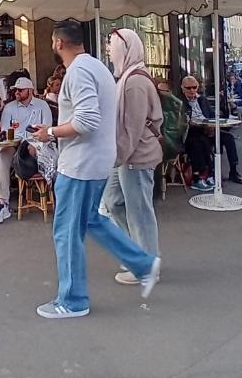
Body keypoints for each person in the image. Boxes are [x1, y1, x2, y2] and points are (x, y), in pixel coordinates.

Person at [29, 21, 160, 319]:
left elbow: (86, 121)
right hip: (97, 160)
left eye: (52, 42)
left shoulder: (78, 71)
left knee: (66, 233)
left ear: (59, 43)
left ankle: (73, 300)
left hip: (80, 164)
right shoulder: (98, 67)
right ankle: (142, 262)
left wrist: (50, 131)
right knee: (91, 221)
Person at [102, 29, 162, 285]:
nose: (108, 50)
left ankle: (146, 266)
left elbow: (133, 128)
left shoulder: (135, 81)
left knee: (139, 212)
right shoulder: (129, 76)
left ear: (125, 49)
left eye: (112, 45)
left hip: (134, 156)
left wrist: (115, 157)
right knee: (114, 201)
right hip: (126, 155)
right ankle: (134, 254)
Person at [0, 77, 52, 223]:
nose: (17, 92)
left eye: (20, 90)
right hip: (15, 142)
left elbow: (47, 129)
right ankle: (1, 202)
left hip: (35, 143)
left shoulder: (42, 105)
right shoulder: (10, 107)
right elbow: (5, 130)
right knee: (2, 155)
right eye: (15, 90)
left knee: (32, 149)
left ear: (30, 91)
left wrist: (32, 138)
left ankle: (39, 181)